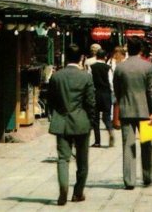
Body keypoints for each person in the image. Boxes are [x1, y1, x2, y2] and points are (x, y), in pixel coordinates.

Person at [48, 44, 95, 205]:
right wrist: (92, 121)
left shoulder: (56, 76)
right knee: (82, 161)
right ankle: (78, 192)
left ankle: (63, 189)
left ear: (66, 57)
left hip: (61, 121)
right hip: (81, 121)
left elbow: (51, 100)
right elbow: (90, 102)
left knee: (63, 158)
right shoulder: (86, 77)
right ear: (81, 58)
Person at [112, 38, 152, 189]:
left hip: (126, 109)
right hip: (145, 110)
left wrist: (122, 101)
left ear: (128, 50)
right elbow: (151, 91)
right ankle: (147, 176)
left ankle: (129, 180)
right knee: (147, 144)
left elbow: (117, 90)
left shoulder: (120, 68)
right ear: (140, 49)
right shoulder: (148, 66)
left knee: (128, 145)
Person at [89, 49, 115, 148]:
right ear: (105, 57)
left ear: (96, 56)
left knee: (95, 119)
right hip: (106, 93)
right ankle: (110, 130)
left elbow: (90, 80)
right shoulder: (108, 68)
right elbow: (111, 81)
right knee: (106, 116)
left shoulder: (91, 67)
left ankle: (97, 141)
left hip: (95, 93)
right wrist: (112, 92)